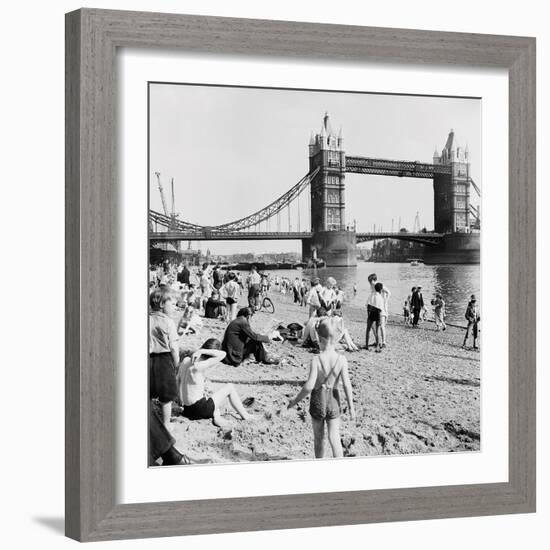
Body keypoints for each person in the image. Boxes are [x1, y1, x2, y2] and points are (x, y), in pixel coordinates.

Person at [286, 318, 355, 458]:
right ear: (337, 338)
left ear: (319, 338)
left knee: (319, 439)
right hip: (334, 400)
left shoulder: (316, 360)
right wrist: (351, 407)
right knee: (334, 438)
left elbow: (309, 386)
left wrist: (294, 401)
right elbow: (347, 385)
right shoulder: (341, 360)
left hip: (318, 399)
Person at [178, 339, 254, 427]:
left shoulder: (185, 361)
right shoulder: (199, 366)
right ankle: (245, 415)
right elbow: (223, 354)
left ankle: (216, 415)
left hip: (187, 410)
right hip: (199, 410)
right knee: (229, 387)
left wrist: (180, 400)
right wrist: (202, 351)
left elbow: (178, 380)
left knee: (209, 397)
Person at [149, 288, 180, 428]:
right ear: (162, 304)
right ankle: (166, 423)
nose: (175, 307)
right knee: (166, 397)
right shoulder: (169, 322)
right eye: (172, 304)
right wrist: (177, 363)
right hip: (164, 359)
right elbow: (174, 346)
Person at [368, 273, 390, 347]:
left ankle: (384, 342)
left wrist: (385, 301)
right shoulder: (372, 286)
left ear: (374, 280)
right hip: (375, 307)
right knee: (374, 325)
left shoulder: (379, 285)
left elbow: (389, 292)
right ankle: (377, 341)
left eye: (370, 281)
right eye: (369, 282)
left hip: (382, 308)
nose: (370, 283)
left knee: (381, 326)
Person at [366, 282, 385, 352]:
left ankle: (366, 345)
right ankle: (377, 346)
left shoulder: (371, 295)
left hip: (371, 312)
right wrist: (379, 319)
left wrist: (368, 315)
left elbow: (367, 305)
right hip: (377, 314)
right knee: (377, 331)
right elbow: (380, 309)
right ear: (381, 290)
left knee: (368, 330)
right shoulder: (380, 298)